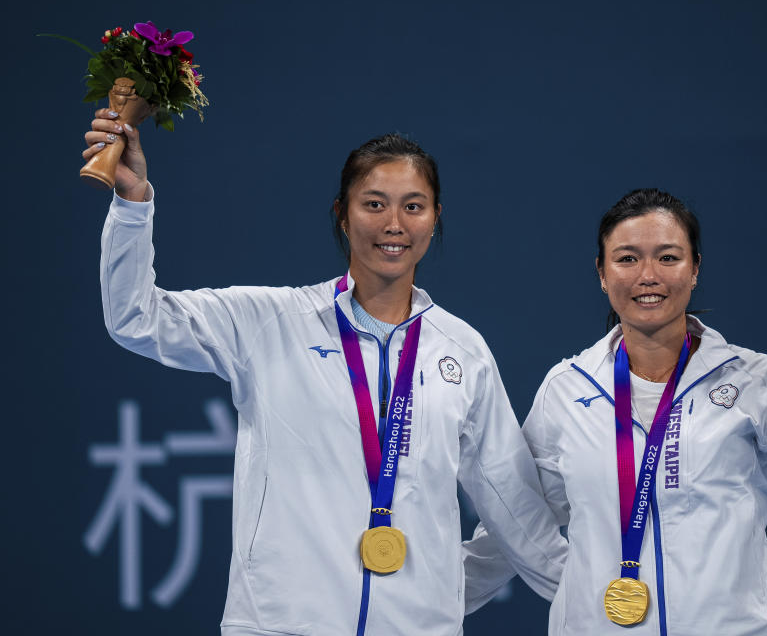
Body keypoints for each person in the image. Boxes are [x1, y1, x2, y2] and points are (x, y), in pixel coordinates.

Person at [84, 111, 565, 635]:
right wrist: (132, 203)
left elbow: (515, 509)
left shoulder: (462, 352)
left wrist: (604, 605)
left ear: (435, 217)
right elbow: (136, 317)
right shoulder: (268, 323)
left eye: (414, 207)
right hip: (281, 625)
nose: (394, 225)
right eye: (374, 204)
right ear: (342, 213)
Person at [463, 188, 767, 634]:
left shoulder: (754, 380)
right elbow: (513, 526)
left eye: (668, 258)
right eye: (628, 258)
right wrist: (417, 602)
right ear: (601, 273)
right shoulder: (567, 389)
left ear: (695, 269)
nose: (648, 276)